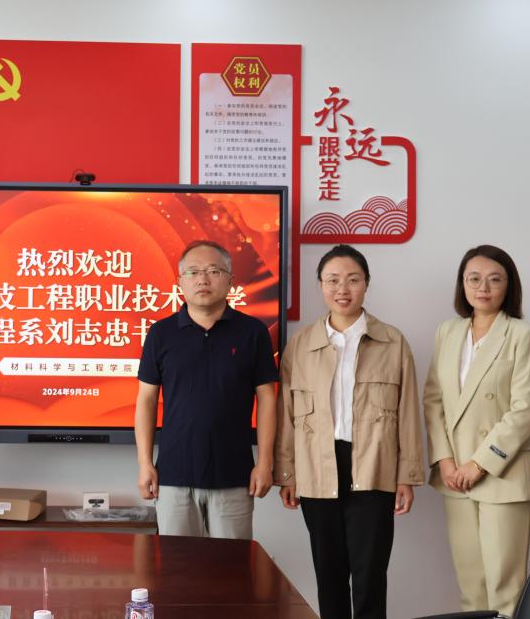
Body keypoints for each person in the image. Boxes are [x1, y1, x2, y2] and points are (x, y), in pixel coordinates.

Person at [274, 244, 423, 619]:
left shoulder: (392, 342)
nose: (343, 289)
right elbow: (286, 415)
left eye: (353, 279)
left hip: (373, 466)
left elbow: (408, 412)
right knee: (329, 574)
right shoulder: (300, 345)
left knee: (370, 574)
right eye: (333, 280)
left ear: (366, 284)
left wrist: (406, 475)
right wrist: (287, 473)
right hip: (317, 467)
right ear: (320, 285)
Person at [423, 245, 530, 616]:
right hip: (454, 476)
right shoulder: (447, 332)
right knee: (470, 586)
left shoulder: (523, 335)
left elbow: (524, 411)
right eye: (473, 279)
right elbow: (433, 400)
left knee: (505, 589)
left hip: (502, 474)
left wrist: (479, 464)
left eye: (495, 279)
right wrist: (445, 460)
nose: (483, 288)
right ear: (462, 284)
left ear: (509, 285)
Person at [134, 240, 278, 539]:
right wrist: (145, 464)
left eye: (214, 271)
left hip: (234, 474)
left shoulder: (253, 332)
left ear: (230, 280)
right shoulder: (161, 333)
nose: (203, 279)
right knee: (178, 563)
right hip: (173, 475)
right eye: (194, 272)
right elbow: (146, 400)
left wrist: (265, 462)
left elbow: (267, 399)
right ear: (180, 281)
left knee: (231, 564)